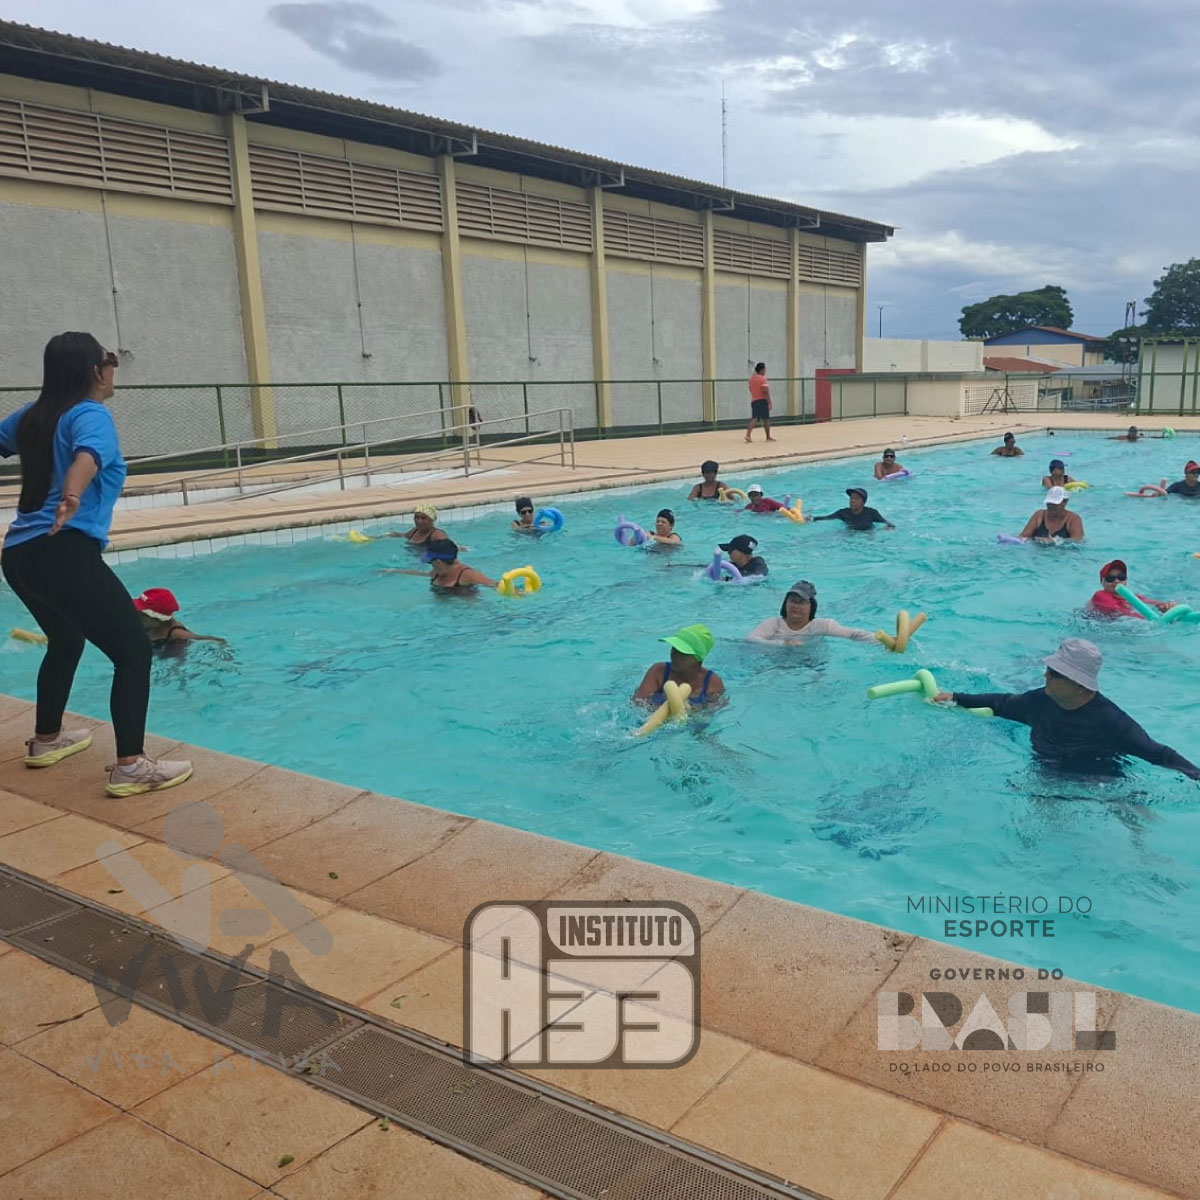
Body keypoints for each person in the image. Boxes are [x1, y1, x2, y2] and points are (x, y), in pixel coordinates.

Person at [0, 332, 192, 796]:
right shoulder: (90, 413)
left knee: (67, 640)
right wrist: (71, 494)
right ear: (94, 370)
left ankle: (47, 740)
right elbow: (88, 455)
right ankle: (131, 766)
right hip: (62, 550)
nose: (112, 369)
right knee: (133, 653)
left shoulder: (32, 415)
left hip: (19, 555)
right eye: (110, 360)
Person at [934, 638, 1200, 780]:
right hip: (1047, 777)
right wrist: (955, 697)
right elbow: (1000, 703)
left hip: (1100, 781)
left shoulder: (1112, 721)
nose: (1045, 675)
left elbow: (1159, 754)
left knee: (1135, 825)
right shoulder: (1038, 702)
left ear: (1079, 684)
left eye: (1054, 672)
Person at [747, 580, 876, 644]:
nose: (795, 606)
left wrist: (882, 640)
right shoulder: (773, 625)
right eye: (792, 601)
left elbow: (854, 634)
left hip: (811, 663)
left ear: (811, 607)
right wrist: (782, 643)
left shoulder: (822, 626)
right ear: (785, 603)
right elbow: (751, 640)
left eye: (801, 602)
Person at [633, 623, 725, 706]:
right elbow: (637, 703)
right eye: (674, 649)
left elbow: (712, 713)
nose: (675, 656)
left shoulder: (712, 683)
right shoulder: (658, 672)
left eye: (683, 653)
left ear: (698, 658)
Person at [383, 537, 497, 590]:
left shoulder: (467, 574)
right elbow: (422, 574)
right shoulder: (438, 572)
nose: (430, 564)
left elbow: (495, 585)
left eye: (430, 561)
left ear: (438, 562)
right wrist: (394, 571)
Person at [133, 588, 226, 650]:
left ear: (155, 618)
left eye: (141, 613)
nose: (136, 614)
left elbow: (217, 641)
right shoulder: (151, 627)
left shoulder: (176, 633)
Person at [1088, 560, 1173, 619]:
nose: (1117, 581)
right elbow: (1116, 612)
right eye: (1110, 578)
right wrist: (1147, 620)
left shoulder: (1132, 597)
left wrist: (1167, 606)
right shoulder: (1100, 595)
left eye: (1121, 577)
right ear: (1102, 582)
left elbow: (1155, 603)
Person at [809, 487, 894, 531]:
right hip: (850, 534)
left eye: (856, 499)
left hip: (867, 535)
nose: (853, 501)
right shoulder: (843, 513)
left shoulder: (871, 513)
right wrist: (811, 518)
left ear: (863, 502)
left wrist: (888, 528)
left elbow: (888, 524)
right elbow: (826, 518)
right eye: (851, 498)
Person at [1018, 486, 1084, 542]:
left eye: (1055, 504)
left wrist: (1056, 541)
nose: (1051, 507)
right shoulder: (1039, 515)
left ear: (1065, 502)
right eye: (1049, 504)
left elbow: (1077, 541)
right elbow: (1023, 536)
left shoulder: (1073, 519)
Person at [745, 362, 774, 443]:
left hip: (754, 400)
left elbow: (750, 389)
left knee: (754, 418)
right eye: (764, 369)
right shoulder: (762, 379)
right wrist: (769, 402)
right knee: (766, 419)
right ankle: (768, 437)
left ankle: (748, 434)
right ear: (762, 370)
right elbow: (765, 391)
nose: (765, 371)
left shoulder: (752, 379)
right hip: (762, 401)